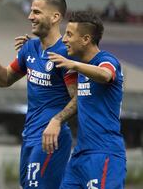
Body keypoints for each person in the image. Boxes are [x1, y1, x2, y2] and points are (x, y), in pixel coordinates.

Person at [0, 0, 77, 188]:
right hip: (30, 135)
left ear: (55, 17)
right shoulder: (29, 48)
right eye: (31, 11)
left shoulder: (66, 53)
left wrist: (56, 121)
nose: (30, 16)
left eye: (37, 12)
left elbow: (79, 98)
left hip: (51, 138)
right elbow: (4, 80)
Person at [48, 11, 126, 189]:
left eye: (69, 34)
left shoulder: (106, 60)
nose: (64, 39)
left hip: (104, 153)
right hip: (79, 156)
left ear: (85, 39)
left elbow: (106, 75)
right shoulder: (79, 68)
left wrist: (74, 65)